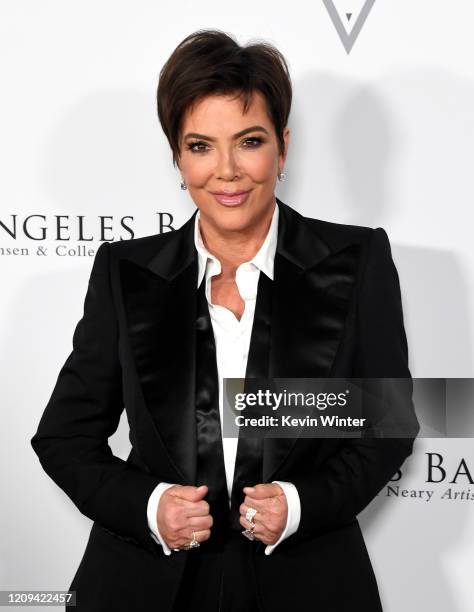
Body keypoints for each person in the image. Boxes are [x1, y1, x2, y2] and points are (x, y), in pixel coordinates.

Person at [31, 29, 419, 612]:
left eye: (250, 141)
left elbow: (389, 422)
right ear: (177, 157)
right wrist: (149, 507)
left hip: (309, 581)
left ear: (282, 148)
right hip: (144, 585)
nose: (228, 171)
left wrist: (302, 502)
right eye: (201, 146)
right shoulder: (125, 271)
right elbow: (64, 437)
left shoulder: (356, 260)